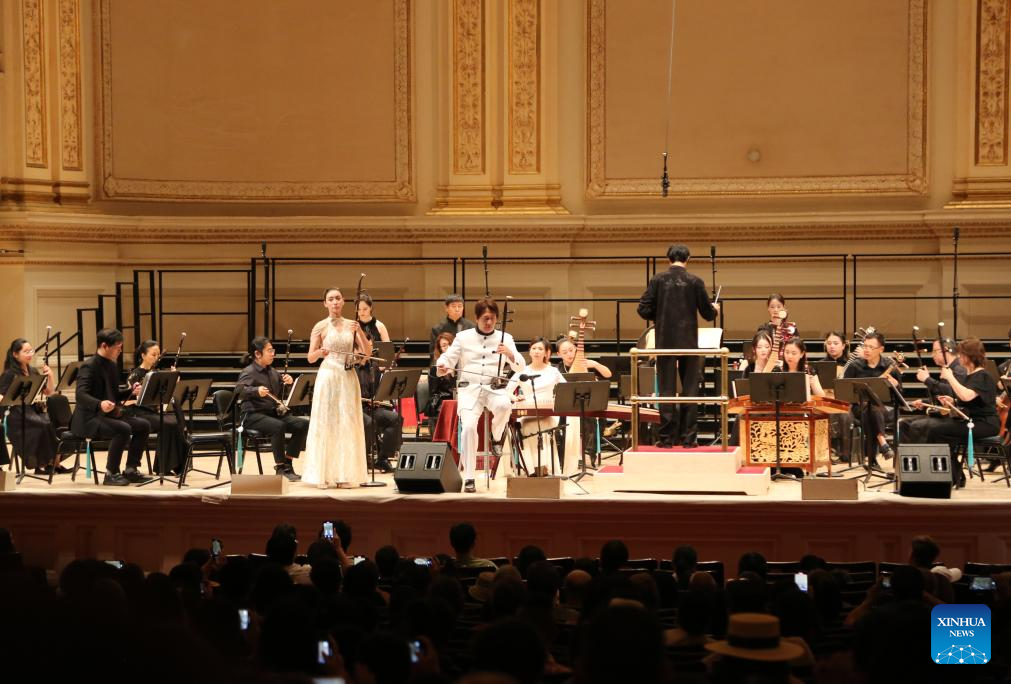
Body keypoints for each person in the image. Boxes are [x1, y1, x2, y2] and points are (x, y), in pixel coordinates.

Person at [436, 297, 525, 493]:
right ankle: (469, 477)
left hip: (494, 388)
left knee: (504, 405)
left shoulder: (505, 338)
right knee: (468, 428)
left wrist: (510, 354)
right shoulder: (463, 337)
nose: (489, 322)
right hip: (470, 389)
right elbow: (448, 358)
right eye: (485, 318)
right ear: (476, 318)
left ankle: (496, 436)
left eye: (492, 318)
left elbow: (520, 367)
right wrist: (442, 365)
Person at [637, 244, 719, 448]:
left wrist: (659, 315)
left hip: (665, 342)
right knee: (690, 391)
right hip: (689, 343)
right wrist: (715, 308)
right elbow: (708, 314)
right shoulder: (695, 281)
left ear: (668, 259)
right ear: (688, 259)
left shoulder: (657, 280)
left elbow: (642, 309)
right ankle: (689, 439)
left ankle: (666, 439)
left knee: (666, 391)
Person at [303, 288, 370, 488]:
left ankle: (344, 474)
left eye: (338, 298)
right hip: (328, 375)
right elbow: (310, 357)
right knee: (327, 421)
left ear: (343, 301)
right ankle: (323, 475)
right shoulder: (320, 326)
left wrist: (359, 332)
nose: (335, 302)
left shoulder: (352, 325)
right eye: (331, 299)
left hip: (347, 376)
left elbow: (367, 353)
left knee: (347, 422)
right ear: (325, 303)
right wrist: (320, 352)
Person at [72, 328, 153, 486]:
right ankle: (111, 473)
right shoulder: (88, 366)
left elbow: (113, 394)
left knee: (144, 425)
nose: (120, 351)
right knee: (122, 428)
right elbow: (80, 395)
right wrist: (99, 404)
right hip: (88, 418)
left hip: (106, 415)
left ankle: (131, 469)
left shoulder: (111, 365)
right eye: (117, 347)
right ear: (104, 346)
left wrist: (130, 392)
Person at [924, 337, 1001, 487]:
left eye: (961, 354)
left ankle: (952, 476)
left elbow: (967, 396)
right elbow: (967, 401)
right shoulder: (969, 376)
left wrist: (950, 377)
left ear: (970, 356)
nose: (959, 356)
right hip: (972, 421)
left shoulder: (983, 376)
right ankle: (954, 475)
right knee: (936, 430)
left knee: (937, 431)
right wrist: (952, 401)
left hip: (985, 423)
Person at [236, 336, 309, 482]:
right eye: (269, 351)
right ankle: (280, 468)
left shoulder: (273, 372)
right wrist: (255, 390)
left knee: (303, 424)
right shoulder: (249, 372)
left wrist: (288, 383)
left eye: (273, 350)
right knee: (278, 426)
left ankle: (287, 464)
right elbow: (239, 391)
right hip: (251, 415)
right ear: (258, 354)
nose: (273, 354)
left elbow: (280, 394)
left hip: (271, 414)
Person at [125, 340, 189, 475]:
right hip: (139, 412)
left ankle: (178, 465)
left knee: (176, 421)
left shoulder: (156, 373)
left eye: (158, 355)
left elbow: (165, 395)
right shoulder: (135, 374)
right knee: (168, 423)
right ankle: (162, 467)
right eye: (153, 354)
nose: (156, 357)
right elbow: (134, 398)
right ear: (143, 355)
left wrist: (173, 381)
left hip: (153, 412)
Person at [353, 294, 401, 474]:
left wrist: (383, 367)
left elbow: (387, 355)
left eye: (365, 309)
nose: (362, 313)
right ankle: (363, 459)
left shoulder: (379, 326)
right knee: (368, 422)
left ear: (371, 308)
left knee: (395, 419)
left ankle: (383, 459)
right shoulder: (352, 365)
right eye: (359, 310)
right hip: (357, 406)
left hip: (373, 399)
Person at [0, 338, 62, 475]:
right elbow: (1, 395)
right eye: (26, 351)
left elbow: (49, 392)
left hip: (30, 411)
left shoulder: (33, 371)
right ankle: (42, 464)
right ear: (15, 354)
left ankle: (53, 462)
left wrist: (50, 375)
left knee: (51, 423)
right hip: (15, 414)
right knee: (42, 425)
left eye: (31, 351)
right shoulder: (10, 373)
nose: (30, 354)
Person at [506, 337, 566, 475]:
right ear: (530, 351)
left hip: (548, 411)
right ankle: (532, 468)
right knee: (527, 426)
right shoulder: (522, 371)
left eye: (540, 349)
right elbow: (507, 391)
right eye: (534, 348)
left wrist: (556, 400)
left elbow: (566, 389)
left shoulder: (553, 371)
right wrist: (515, 397)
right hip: (527, 410)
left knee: (544, 424)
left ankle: (545, 467)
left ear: (546, 353)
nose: (536, 351)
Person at [842, 331, 901, 466]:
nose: (866, 350)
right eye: (865, 346)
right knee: (871, 409)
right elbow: (846, 392)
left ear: (881, 349)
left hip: (887, 409)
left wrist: (895, 385)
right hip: (860, 407)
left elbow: (900, 394)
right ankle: (882, 443)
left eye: (871, 347)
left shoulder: (890, 366)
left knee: (873, 410)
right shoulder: (855, 366)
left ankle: (872, 459)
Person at [902, 337, 966, 445]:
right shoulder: (948, 368)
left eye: (935, 351)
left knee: (917, 426)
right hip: (944, 414)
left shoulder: (959, 369)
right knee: (904, 424)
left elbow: (952, 393)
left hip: (955, 418)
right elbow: (943, 397)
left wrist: (927, 379)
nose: (932, 355)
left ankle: (922, 455)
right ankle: (908, 455)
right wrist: (925, 402)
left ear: (945, 350)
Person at [426, 332, 456, 435]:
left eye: (450, 344)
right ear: (440, 349)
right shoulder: (436, 367)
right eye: (444, 346)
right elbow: (433, 392)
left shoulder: (461, 364)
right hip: (441, 402)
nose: (448, 348)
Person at [430, 293, 475, 358]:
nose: (457, 309)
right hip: (445, 362)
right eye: (453, 306)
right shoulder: (437, 329)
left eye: (460, 306)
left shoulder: (471, 327)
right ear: (446, 308)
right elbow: (434, 354)